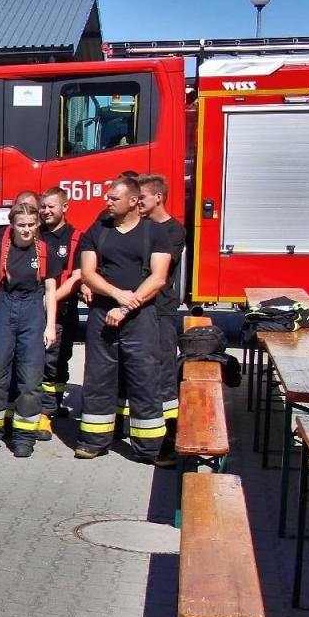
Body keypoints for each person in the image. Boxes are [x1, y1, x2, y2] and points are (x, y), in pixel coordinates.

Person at [75, 176, 173, 461]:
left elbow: (158, 278)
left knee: (144, 379)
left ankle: (150, 448)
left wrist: (127, 307)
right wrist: (117, 296)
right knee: (99, 378)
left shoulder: (155, 233)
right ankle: (93, 441)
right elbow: (88, 273)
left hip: (140, 316)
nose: (107, 202)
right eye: (107, 197)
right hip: (102, 315)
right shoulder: (97, 230)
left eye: (113, 198)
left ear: (133, 201)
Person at [0, 203, 58, 457]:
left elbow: (51, 291)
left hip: (32, 310)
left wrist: (50, 326)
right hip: (4, 308)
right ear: (12, 225)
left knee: (30, 379)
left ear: (38, 225)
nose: (26, 230)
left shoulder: (44, 252)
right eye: (21, 225)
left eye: (31, 225)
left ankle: (24, 437)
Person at [138, 173, 187, 449]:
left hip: (162, 308)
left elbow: (157, 270)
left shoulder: (173, 231)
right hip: (142, 307)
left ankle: (171, 429)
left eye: (142, 197)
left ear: (158, 197)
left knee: (165, 366)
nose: (138, 203)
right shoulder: (140, 226)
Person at [37, 187, 85, 436]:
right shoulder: (34, 235)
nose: (45, 211)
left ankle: (53, 404)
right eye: (43, 206)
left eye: (51, 207)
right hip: (37, 312)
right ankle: (43, 414)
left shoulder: (77, 238)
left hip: (64, 311)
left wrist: (51, 299)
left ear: (65, 207)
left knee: (59, 361)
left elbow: (77, 276)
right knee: (45, 362)